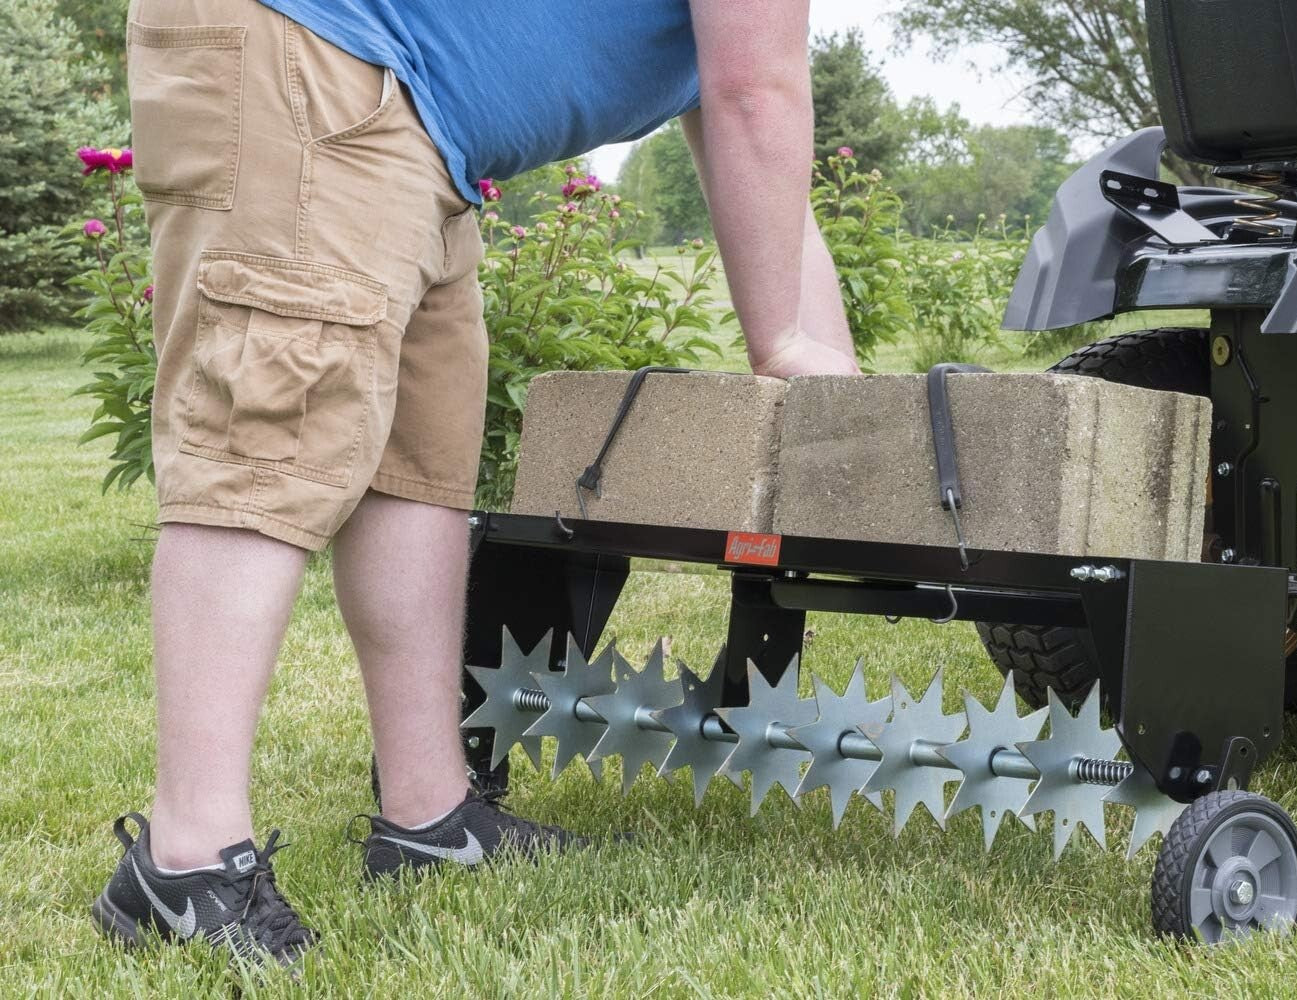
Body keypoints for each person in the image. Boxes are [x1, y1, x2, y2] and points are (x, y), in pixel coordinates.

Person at [94, 0, 859, 966]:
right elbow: (760, 94)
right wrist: (786, 349)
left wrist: (842, 386)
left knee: (418, 470)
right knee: (267, 439)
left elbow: (757, 144)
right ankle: (186, 863)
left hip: (416, 126)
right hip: (318, 53)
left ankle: (430, 820)